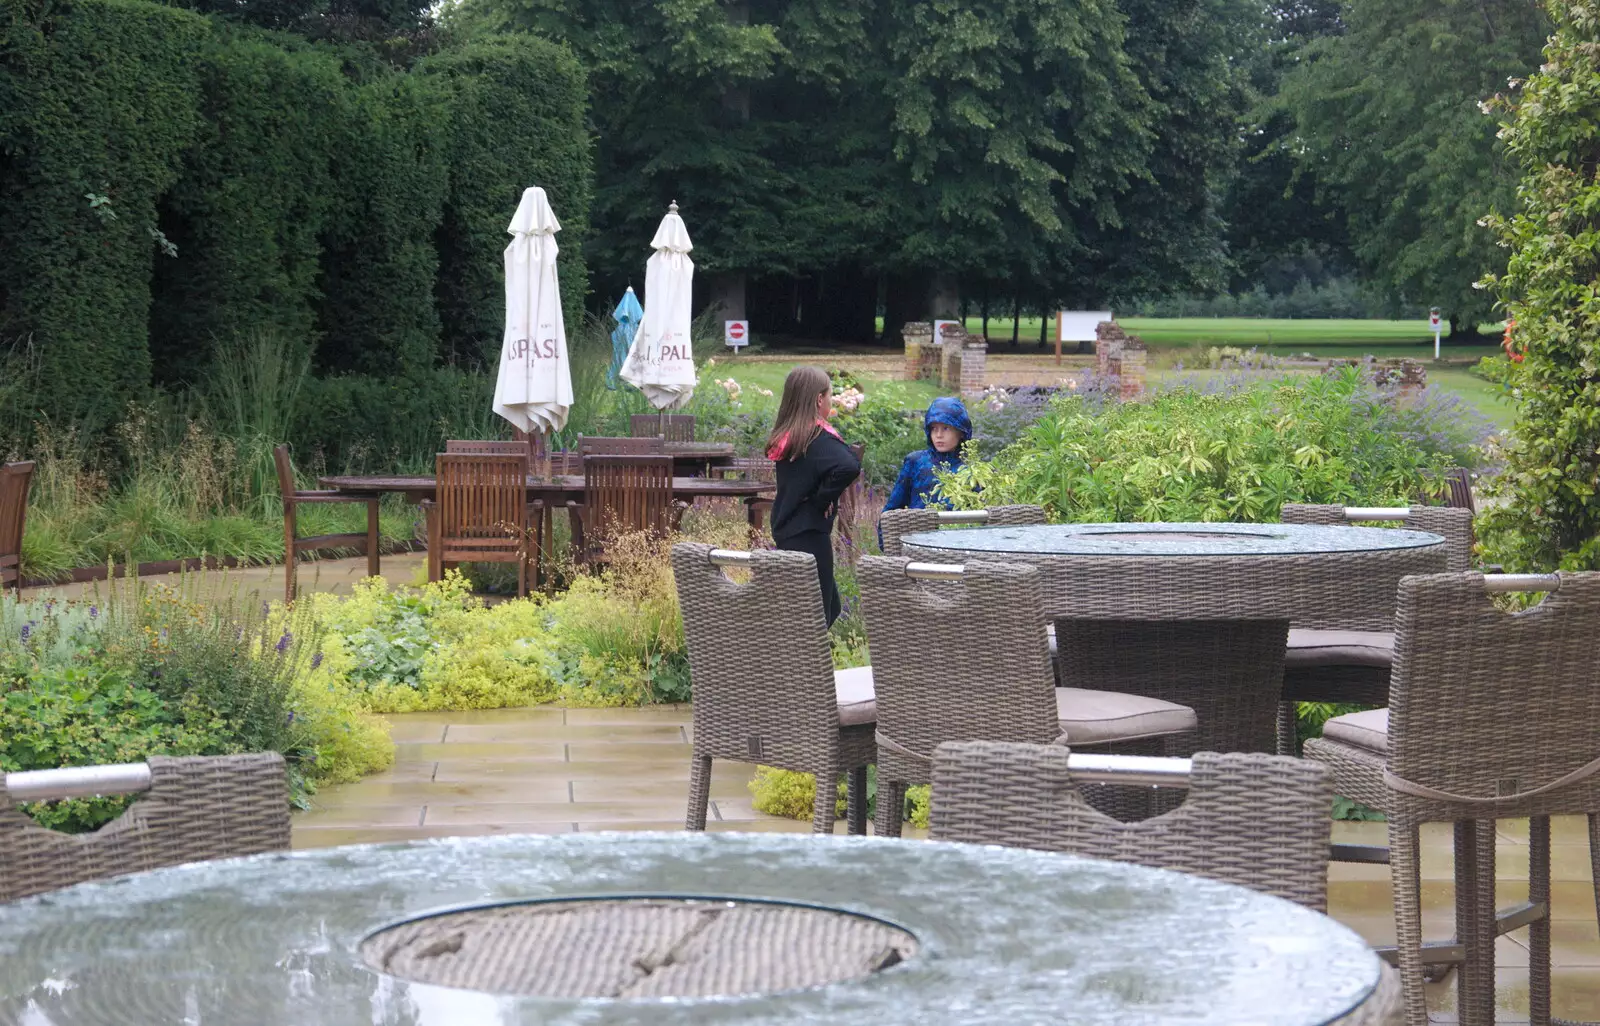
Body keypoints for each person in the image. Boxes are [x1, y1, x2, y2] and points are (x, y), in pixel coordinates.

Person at [766, 365, 861, 626]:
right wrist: (822, 500)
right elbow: (850, 465)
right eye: (830, 395)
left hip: (787, 529)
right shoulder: (817, 437)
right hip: (809, 534)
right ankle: (805, 665)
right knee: (817, 616)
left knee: (828, 607)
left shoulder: (790, 435)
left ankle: (805, 663)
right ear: (819, 399)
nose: (831, 400)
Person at [882, 396, 972, 517]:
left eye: (946, 428)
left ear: (961, 432)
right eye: (934, 429)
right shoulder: (916, 462)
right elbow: (891, 512)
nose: (939, 435)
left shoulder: (972, 469)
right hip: (918, 533)